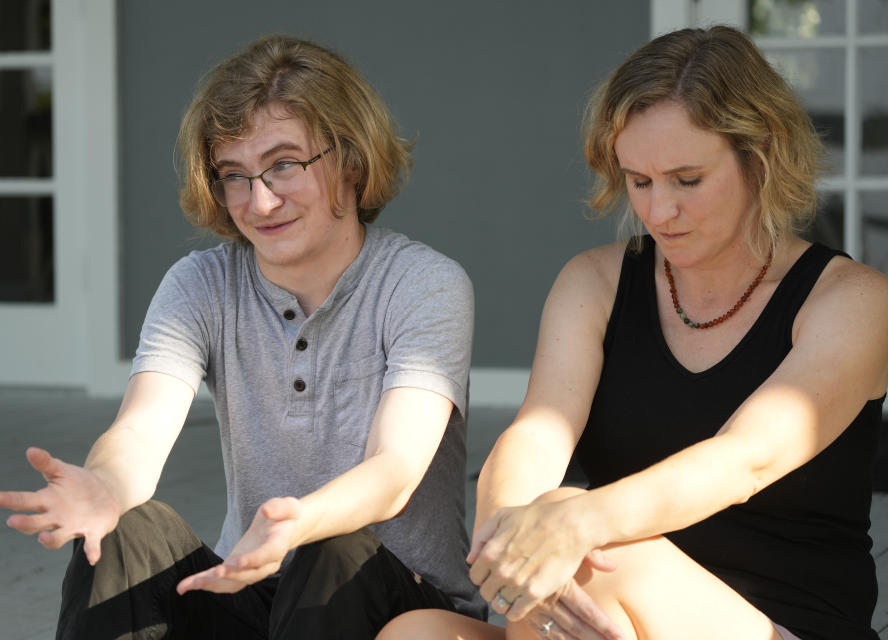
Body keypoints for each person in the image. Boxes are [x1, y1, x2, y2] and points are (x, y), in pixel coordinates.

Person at [378, 25, 888, 640]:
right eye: (639, 182)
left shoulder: (853, 300)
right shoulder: (594, 282)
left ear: (762, 156)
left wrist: (570, 525)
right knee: (416, 633)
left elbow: (744, 461)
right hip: (608, 605)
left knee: (584, 547)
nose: (657, 211)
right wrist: (510, 534)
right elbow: (539, 432)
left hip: (782, 624)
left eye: (687, 180)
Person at [0, 34, 483, 639]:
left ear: (351, 159)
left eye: (283, 164)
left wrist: (297, 522)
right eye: (235, 175)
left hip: (396, 596)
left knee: (328, 548)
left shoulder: (423, 284)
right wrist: (105, 486)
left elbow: (394, 469)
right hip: (255, 588)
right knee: (122, 531)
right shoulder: (201, 284)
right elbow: (141, 429)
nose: (261, 201)